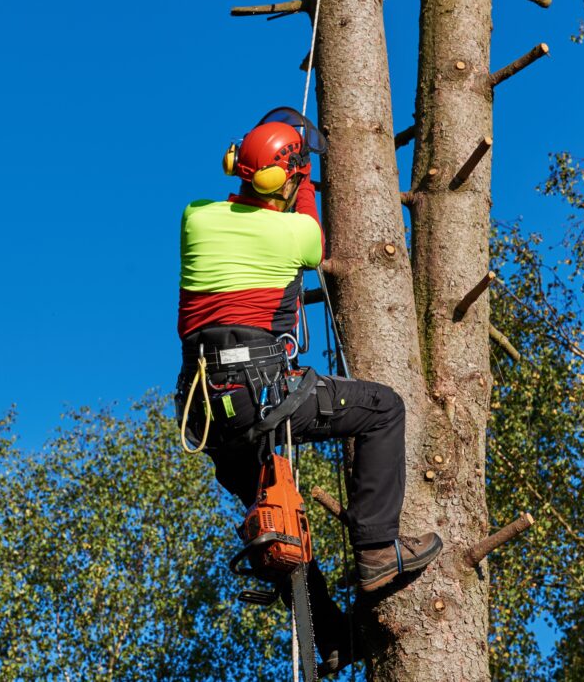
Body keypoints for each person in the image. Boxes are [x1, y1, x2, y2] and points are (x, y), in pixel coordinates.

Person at [176, 107, 443, 676]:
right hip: (260, 391)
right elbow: (310, 234)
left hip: (206, 413)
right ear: (288, 179)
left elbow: (245, 201)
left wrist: (282, 168)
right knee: (383, 410)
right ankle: (377, 550)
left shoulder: (195, 219)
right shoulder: (293, 232)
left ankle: (332, 635)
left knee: (278, 523)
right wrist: (306, 180)